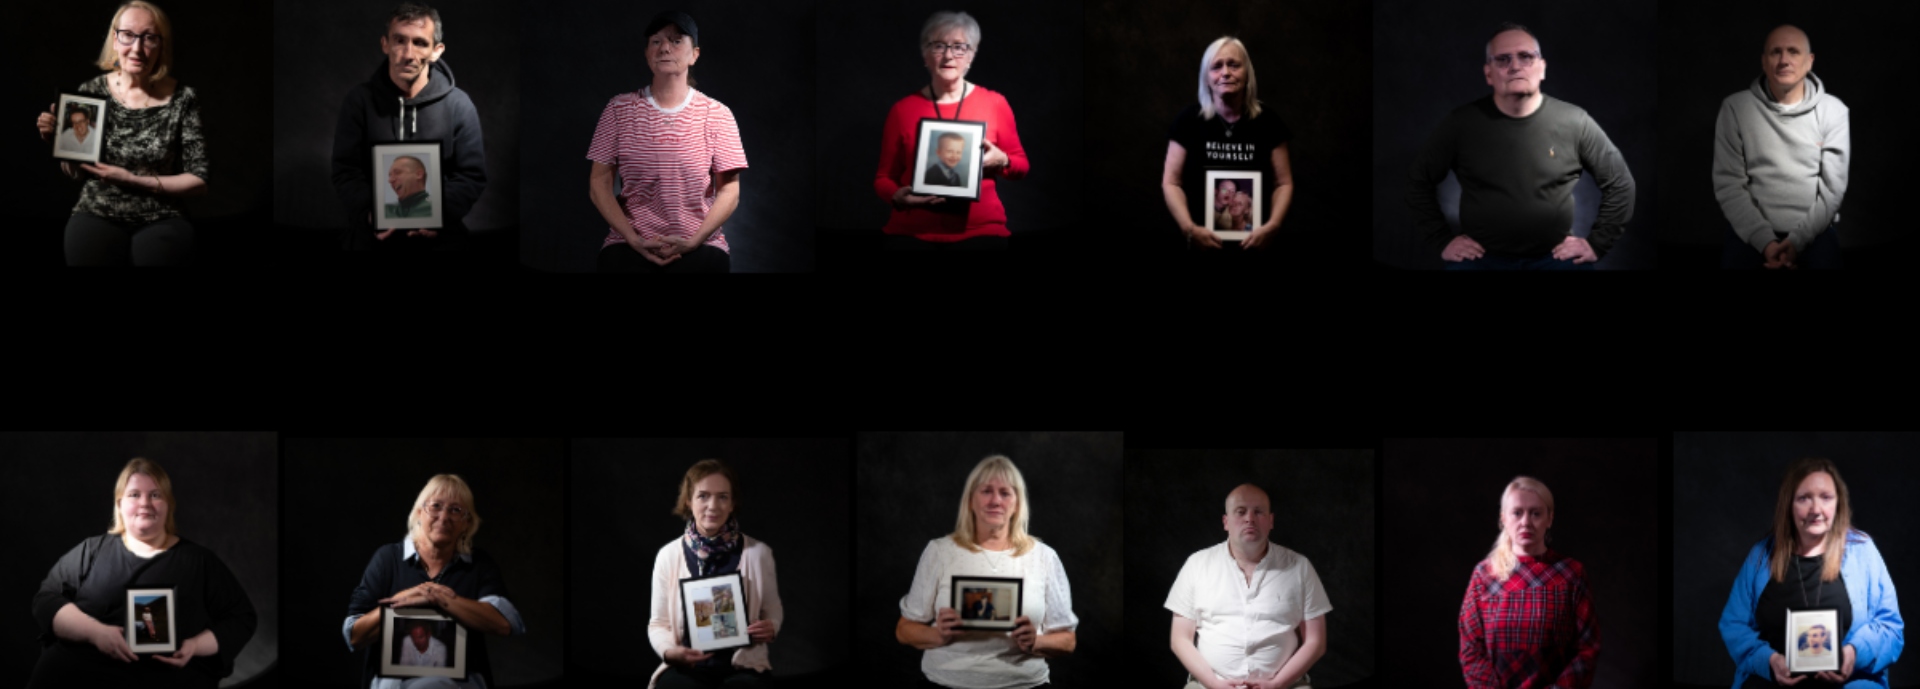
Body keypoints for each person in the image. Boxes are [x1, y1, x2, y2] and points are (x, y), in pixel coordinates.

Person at [1409, 23, 1635, 270]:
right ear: (1488, 74)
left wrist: (1597, 243)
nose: (1515, 66)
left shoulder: (1575, 121)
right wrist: (1442, 240)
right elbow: (1418, 180)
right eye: (1503, 59)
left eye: (1526, 57)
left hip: (1556, 260)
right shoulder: (1460, 123)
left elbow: (1620, 183)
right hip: (1480, 260)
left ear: (1542, 68)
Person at [27, 458, 257, 689]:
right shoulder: (91, 551)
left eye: (155, 495)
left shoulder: (200, 561)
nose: (145, 503)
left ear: (169, 506)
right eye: (134, 495)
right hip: (81, 673)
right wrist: (96, 633)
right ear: (119, 505)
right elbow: (46, 599)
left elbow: (241, 618)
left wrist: (195, 645)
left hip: (165, 678)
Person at [33, 1, 205, 266]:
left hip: (162, 215)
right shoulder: (90, 92)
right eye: (128, 35)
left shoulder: (183, 98)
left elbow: (198, 180)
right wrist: (61, 145)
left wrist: (133, 180)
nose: (137, 49)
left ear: (161, 45)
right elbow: (77, 173)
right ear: (115, 39)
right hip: (96, 212)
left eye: (149, 38)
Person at [1719, 458, 1904, 689]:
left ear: (1838, 503)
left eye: (1826, 497)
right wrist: (1769, 661)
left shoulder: (1863, 551)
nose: (1816, 510)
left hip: (1850, 683)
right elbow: (1733, 624)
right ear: (1789, 504)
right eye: (1804, 498)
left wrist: (1855, 654)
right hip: (1771, 682)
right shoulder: (1760, 556)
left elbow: (1891, 628)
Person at [897, 455, 1078, 688]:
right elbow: (904, 630)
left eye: (1005, 493)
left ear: (1017, 503)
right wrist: (939, 635)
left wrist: (1036, 641)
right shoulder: (939, 551)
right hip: (945, 682)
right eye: (986, 491)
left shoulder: (1044, 557)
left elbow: (1068, 641)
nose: (995, 501)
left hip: (1023, 684)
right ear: (971, 500)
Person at [588, 11, 746, 273]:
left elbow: (730, 191)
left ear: (694, 54)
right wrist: (634, 240)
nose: (664, 48)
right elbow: (599, 183)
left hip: (701, 243)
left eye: (675, 40)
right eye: (656, 41)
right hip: (630, 242)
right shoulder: (618, 109)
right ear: (647, 53)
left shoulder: (718, 114)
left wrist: (694, 241)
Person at [345, 474, 526, 689]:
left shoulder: (479, 564)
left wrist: (440, 598)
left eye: (456, 510)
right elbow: (354, 635)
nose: (444, 516)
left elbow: (505, 624)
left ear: (466, 523)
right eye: (436, 506)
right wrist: (403, 599)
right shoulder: (387, 559)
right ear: (419, 512)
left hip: (460, 682)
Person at [331, 1, 487, 252]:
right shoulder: (359, 101)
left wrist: (437, 216)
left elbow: (471, 176)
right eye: (399, 40)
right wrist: (370, 214)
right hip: (374, 233)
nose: (408, 54)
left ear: (437, 50)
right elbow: (346, 171)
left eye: (420, 43)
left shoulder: (459, 105)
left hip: (440, 232)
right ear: (385, 44)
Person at [874, 11, 1029, 251]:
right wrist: (897, 197)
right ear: (925, 54)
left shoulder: (995, 103)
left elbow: (1021, 166)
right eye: (938, 46)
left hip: (982, 234)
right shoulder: (901, 110)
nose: (948, 55)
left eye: (959, 47)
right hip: (911, 234)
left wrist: (1003, 160)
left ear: (971, 56)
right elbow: (883, 179)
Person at [1167, 484, 1330, 689]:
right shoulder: (1197, 565)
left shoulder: (1299, 567)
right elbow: (1180, 639)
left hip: (1287, 685)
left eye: (1258, 512)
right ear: (1226, 522)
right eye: (1241, 511)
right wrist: (1213, 684)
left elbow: (1316, 641)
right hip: (1208, 684)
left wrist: (1278, 683)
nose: (1250, 519)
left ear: (1271, 521)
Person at [1715, 25, 1848, 270]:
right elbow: (1729, 183)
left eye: (1793, 52)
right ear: (1764, 62)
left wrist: (1796, 242)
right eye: (1776, 52)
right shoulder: (1734, 108)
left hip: (1815, 231)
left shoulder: (1834, 111)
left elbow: (1832, 190)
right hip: (1751, 230)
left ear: (1809, 62)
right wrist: (1766, 242)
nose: (1784, 60)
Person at [647, 459, 782, 689]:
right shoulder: (668, 556)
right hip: (687, 670)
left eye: (722, 497)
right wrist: (670, 652)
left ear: (732, 503)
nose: (713, 506)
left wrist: (771, 626)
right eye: (703, 496)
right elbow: (658, 624)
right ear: (688, 501)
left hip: (743, 668)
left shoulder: (759, 553)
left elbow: (773, 610)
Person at [1459, 476, 1598, 688]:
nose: (1525, 522)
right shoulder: (1484, 576)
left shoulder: (1571, 574)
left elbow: (1588, 647)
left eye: (1535, 513)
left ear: (1549, 519)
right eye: (1517, 513)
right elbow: (1471, 649)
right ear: (1504, 518)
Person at [1162, 37, 1293, 251]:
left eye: (1234, 65)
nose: (1225, 72)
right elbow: (1171, 182)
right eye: (1216, 66)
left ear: (1247, 73)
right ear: (1206, 77)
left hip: (1256, 244)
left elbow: (1283, 183)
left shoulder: (1269, 122)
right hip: (1199, 244)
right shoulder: (1188, 121)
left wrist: (1273, 226)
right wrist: (1189, 229)